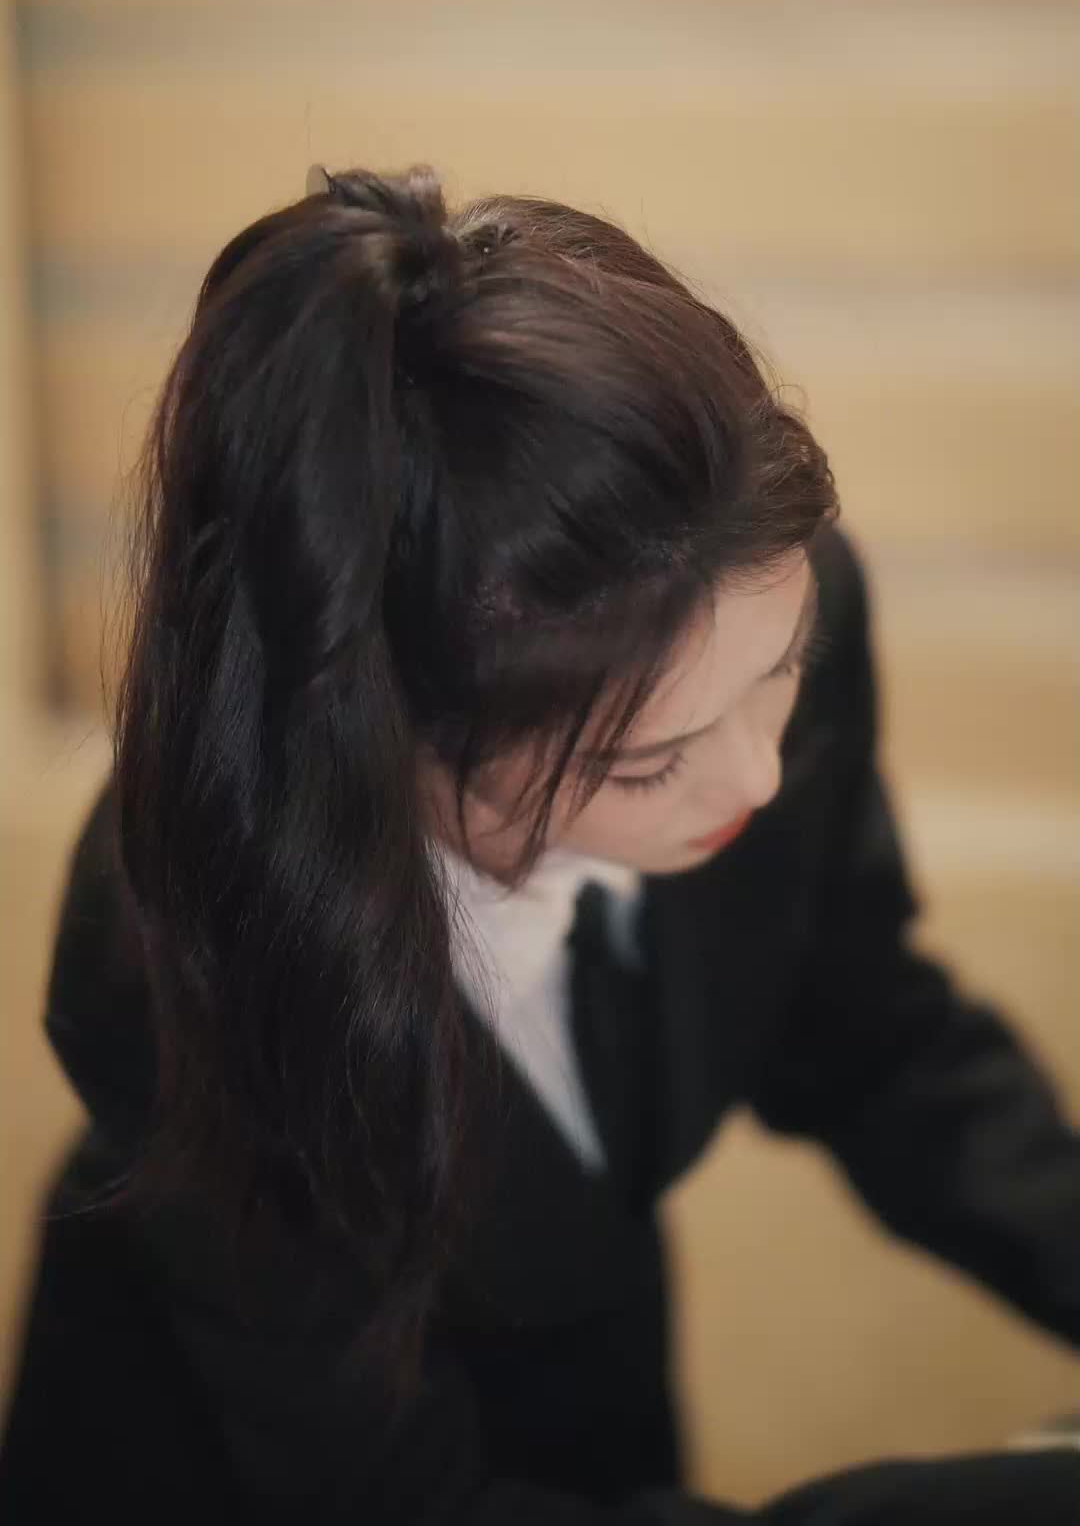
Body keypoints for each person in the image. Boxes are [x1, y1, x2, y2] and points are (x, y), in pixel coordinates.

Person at [2, 167, 1077, 1523]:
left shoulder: (752, 623)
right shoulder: (186, 941)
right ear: (390, 735)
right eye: (646, 764)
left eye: (784, 670)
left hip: (590, 1387)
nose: (757, 771)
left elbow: (863, 1029)